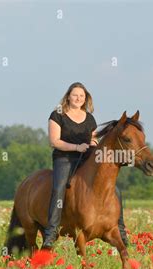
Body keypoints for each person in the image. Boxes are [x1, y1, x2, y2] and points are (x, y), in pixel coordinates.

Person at [42, 82, 129, 249]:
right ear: (68, 96)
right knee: (59, 187)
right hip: (65, 158)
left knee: (115, 189)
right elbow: (54, 141)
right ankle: (51, 232)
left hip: (86, 157)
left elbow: (93, 138)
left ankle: (121, 230)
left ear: (86, 98)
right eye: (75, 95)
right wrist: (76, 147)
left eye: (81, 96)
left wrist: (93, 142)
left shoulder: (89, 117)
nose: (78, 98)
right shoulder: (57, 115)